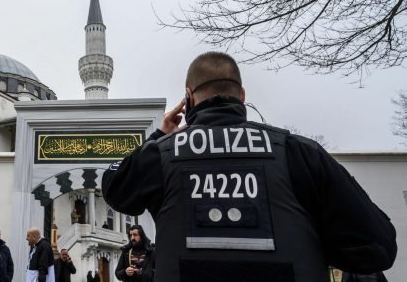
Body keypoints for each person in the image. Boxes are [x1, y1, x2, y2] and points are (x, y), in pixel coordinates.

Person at [103, 52, 398, 282]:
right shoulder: (297, 152)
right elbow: (377, 246)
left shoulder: (164, 154)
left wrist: (158, 136)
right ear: (242, 95)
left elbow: (115, 187)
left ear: (189, 98)